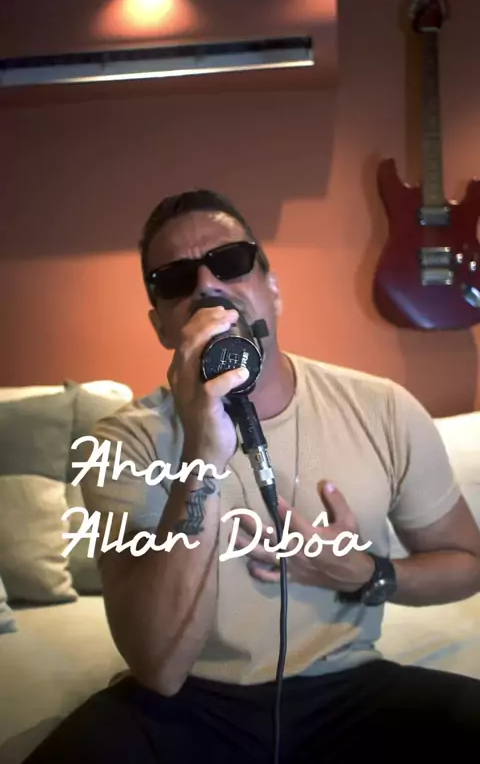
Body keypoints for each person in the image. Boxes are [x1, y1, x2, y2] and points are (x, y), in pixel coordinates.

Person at [26, 189, 480, 764]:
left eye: (231, 261)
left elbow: (467, 563)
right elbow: (158, 666)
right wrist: (203, 449)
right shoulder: (121, 442)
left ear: (273, 288)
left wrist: (365, 573)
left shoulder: (383, 408)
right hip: (186, 706)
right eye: (175, 280)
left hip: (348, 689)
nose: (206, 285)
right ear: (161, 325)